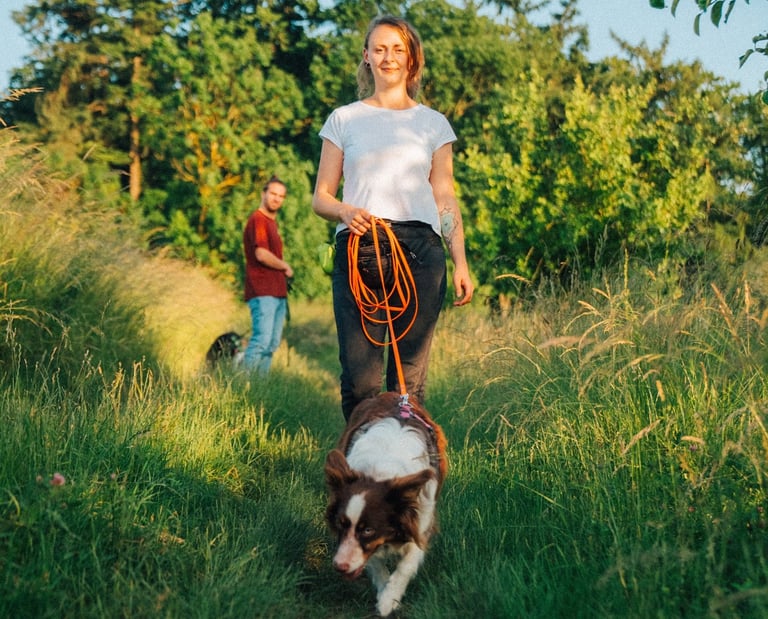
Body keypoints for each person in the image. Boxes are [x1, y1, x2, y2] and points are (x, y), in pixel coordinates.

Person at [312, 15, 474, 420]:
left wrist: (460, 261)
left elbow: (444, 197)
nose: (388, 57)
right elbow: (321, 197)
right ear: (366, 57)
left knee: (408, 382)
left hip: (421, 251)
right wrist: (345, 210)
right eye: (379, 49)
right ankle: (360, 471)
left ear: (411, 59)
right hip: (359, 245)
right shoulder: (344, 119)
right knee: (361, 381)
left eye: (397, 49)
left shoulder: (433, 124)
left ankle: (403, 473)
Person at [243, 175, 293, 374]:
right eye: (273, 193)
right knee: (261, 342)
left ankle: (259, 389)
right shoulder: (258, 219)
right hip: (262, 290)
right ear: (263, 193)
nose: (276, 198)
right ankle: (244, 385)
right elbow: (261, 254)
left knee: (271, 344)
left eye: (281, 196)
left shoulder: (271, 223)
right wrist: (285, 266)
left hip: (277, 292)